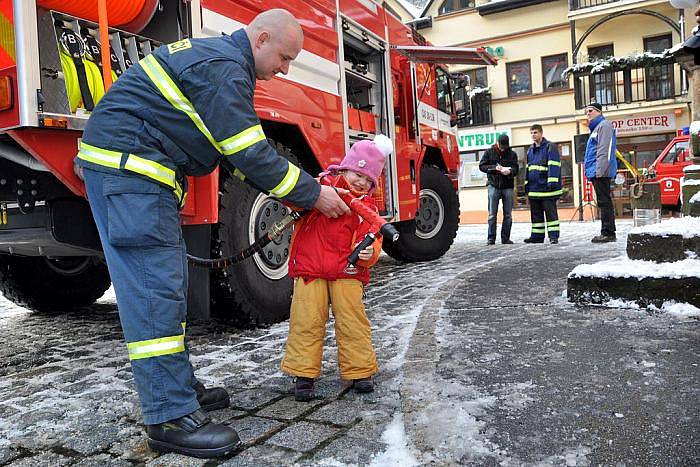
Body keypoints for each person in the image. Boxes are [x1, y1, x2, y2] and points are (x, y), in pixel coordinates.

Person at [73, 9, 350, 458]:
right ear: (260, 39)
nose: (284, 70)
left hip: (137, 175)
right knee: (155, 291)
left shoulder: (220, 60)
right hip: (133, 177)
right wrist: (313, 194)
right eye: (283, 57)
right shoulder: (225, 69)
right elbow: (251, 155)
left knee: (167, 287)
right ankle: (169, 417)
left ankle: (178, 390)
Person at [280, 135, 393, 401]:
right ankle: (303, 374)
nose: (361, 182)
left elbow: (373, 236)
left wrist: (368, 254)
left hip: (348, 273)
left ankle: (360, 371)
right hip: (310, 271)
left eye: (369, 180)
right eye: (358, 173)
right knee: (305, 322)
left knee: (353, 323)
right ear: (345, 167)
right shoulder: (319, 189)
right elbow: (291, 201)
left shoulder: (367, 207)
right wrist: (307, 193)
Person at [583, 102, 618, 243]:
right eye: (586, 111)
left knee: (604, 202)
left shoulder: (604, 125)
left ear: (599, 112)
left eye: (590, 110)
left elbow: (605, 150)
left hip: (600, 171)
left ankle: (608, 233)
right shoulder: (596, 128)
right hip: (596, 171)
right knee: (603, 201)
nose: (588, 113)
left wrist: (600, 170)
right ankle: (607, 231)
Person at [523, 124, 562, 244]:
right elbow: (528, 168)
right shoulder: (530, 150)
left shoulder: (550, 147)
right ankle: (537, 236)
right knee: (536, 215)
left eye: (535, 132)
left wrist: (552, 182)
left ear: (541, 133)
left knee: (551, 215)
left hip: (547, 188)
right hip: (534, 188)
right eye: (531, 133)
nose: (533, 135)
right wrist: (526, 184)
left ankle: (553, 236)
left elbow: (554, 164)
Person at [479, 134, 519, 245]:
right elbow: (481, 166)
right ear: (497, 143)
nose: (502, 148)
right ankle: (491, 238)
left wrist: (510, 171)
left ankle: (505, 239)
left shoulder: (512, 154)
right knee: (492, 214)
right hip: (493, 185)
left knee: (508, 215)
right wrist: (493, 168)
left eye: (504, 147)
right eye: (501, 146)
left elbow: (516, 169)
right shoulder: (489, 152)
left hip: (508, 187)